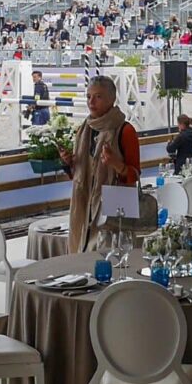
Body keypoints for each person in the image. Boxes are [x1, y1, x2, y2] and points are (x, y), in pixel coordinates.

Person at [61, 74, 140, 253]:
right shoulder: (84, 129)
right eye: (89, 96)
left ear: (111, 99)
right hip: (86, 200)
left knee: (112, 256)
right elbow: (78, 174)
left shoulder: (125, 130)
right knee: (82, 253)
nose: (91, 102)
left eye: (98, 97)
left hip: (117, 202)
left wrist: (114, 163)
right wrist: (68, 162)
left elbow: (134, 175)